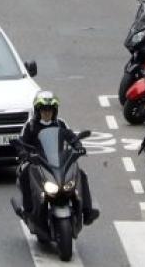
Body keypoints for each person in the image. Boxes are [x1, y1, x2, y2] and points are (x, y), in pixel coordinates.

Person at [17, 92, 98, 225]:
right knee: (24, 174)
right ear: (38, 111)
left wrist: (78, 146)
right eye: (44, 109)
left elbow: (72, 138)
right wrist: (24, 153)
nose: (47, 113)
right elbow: (21, 142)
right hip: (37, 162)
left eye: (50, 110)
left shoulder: (61, 124)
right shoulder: (30, 126)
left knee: (81, 174)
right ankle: (28, 210)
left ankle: (87, 211)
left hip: (59, 162)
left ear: (54, 111)